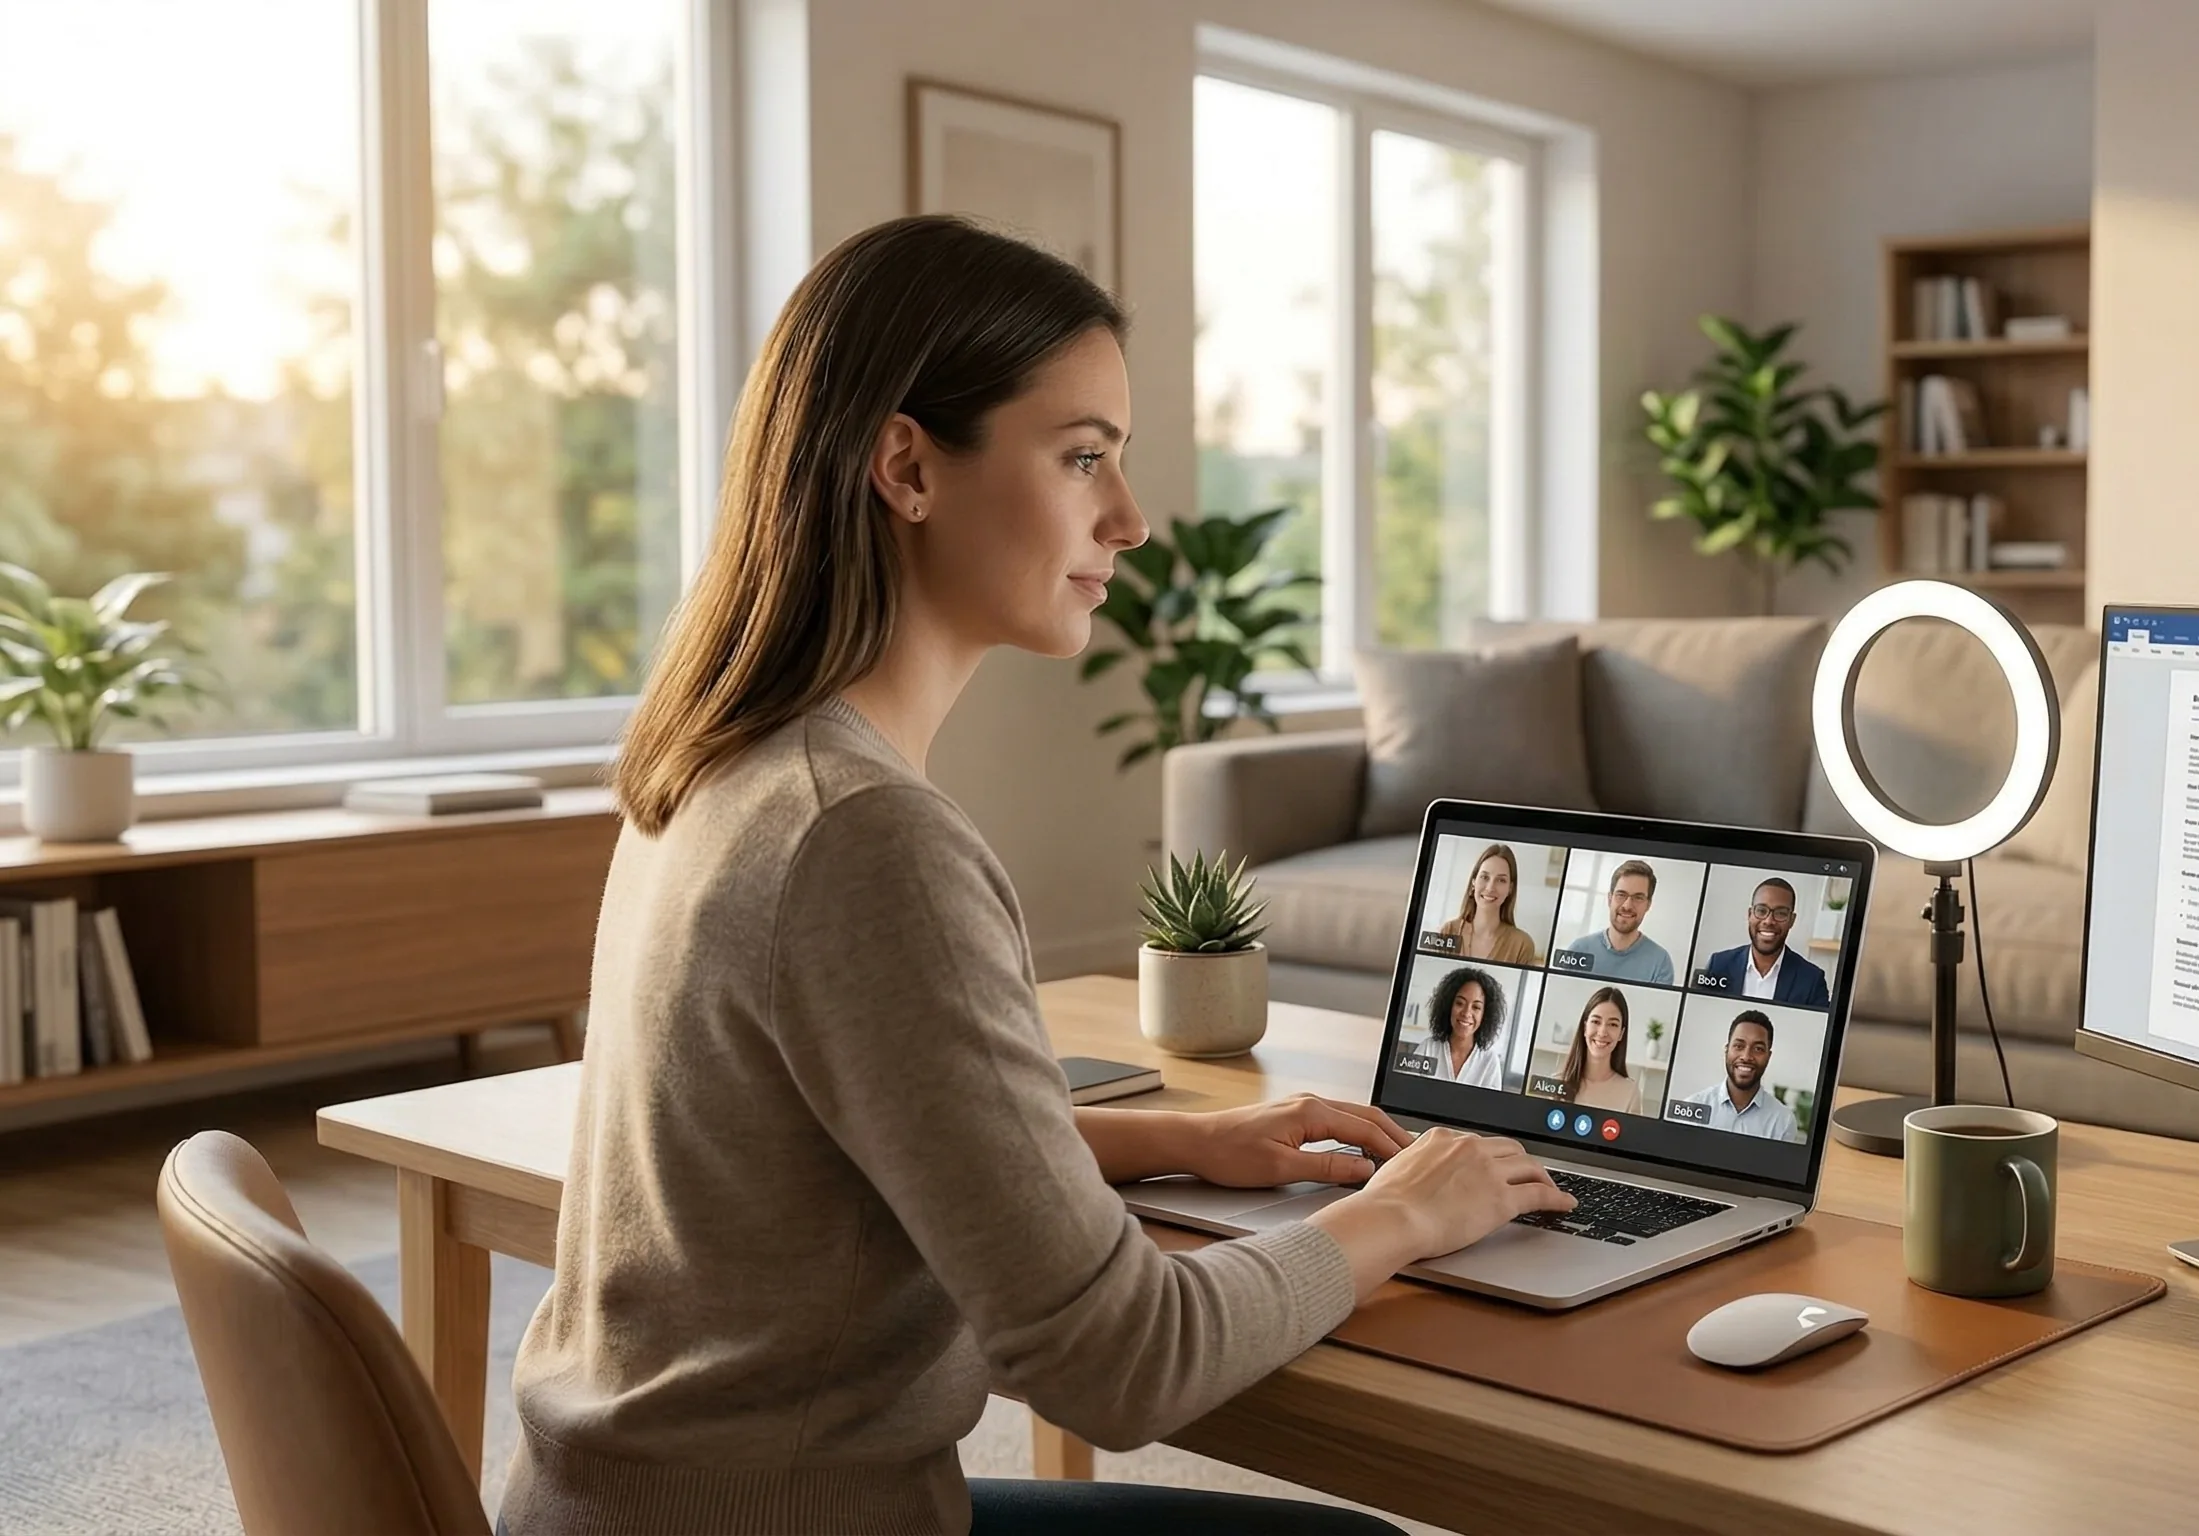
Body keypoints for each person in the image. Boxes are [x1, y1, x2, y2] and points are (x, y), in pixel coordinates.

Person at [505, 216, 1574, 1536]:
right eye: (1083, 460)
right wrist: (1407, 1214)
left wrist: (1180, 1142)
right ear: (906, 465)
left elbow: (831, 1147)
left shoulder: (721, 758)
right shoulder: (863, 838)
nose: (1127, 521)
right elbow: (1118, 1360)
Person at [1671, 1011, 1803, 1142]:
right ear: (1727, 1050)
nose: (1746, 1056)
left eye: (1758, 1049)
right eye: (1739, 1046)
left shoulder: (1783, 1121)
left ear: (1768, 1056)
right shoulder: (1692, 1106)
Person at [1700, 877, 1831, 1006]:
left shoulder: (1812, 980)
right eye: (1761, 911)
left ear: (1792, 920)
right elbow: (1699, 1011)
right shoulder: (1718, 964)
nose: (1768, 921)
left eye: (1780, 913)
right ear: (1750, 914)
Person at [1555, 859, 1674, 984]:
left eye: (1638, 897)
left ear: (1648, 905)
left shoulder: (1661, 962)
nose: (1627, 906)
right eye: (1621, 895)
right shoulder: (1577, 950)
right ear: (1609, 899)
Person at [1436, 843, 1543, 965]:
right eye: (1485, 877)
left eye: (1501, 880)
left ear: (1510, 889)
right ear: (1473, 882)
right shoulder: (1448, 931)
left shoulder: (1522, 945)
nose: (1490, 888)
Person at [1404, 966, 1510, 1089]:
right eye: (1460, 1003)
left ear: (1485, 1015)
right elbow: (1407, 1092)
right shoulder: (1428, 1048)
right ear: (1449, 1006)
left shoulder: (1489, 1061)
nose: (1466, 1013)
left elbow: (1490, 1107)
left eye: (1476, 1007)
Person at [1547, 986, 1639, 1113]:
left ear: (1621, 1034)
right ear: (1585, 1027)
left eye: (1613, 1024)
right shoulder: (1555, 1083)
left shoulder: (1630, 1092)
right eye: (1596, 1021)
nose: (1602, 1032)